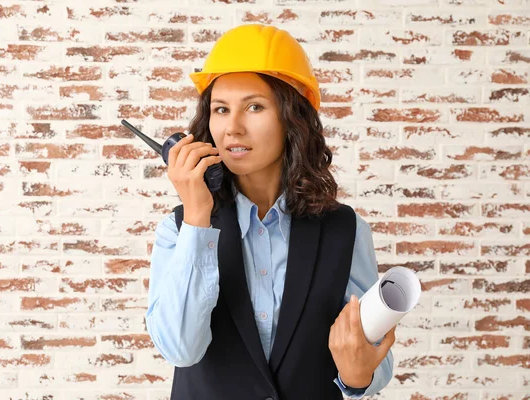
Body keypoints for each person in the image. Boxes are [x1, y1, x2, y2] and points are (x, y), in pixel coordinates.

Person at [146, 24, 395, 400]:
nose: (232, 128)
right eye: (220, 109)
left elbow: (373, 357)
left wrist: (358, 377)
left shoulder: (345, 229)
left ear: (291, 117)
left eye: (254, 107)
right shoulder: (178, 229)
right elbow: (180, 350)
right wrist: (198, 215)